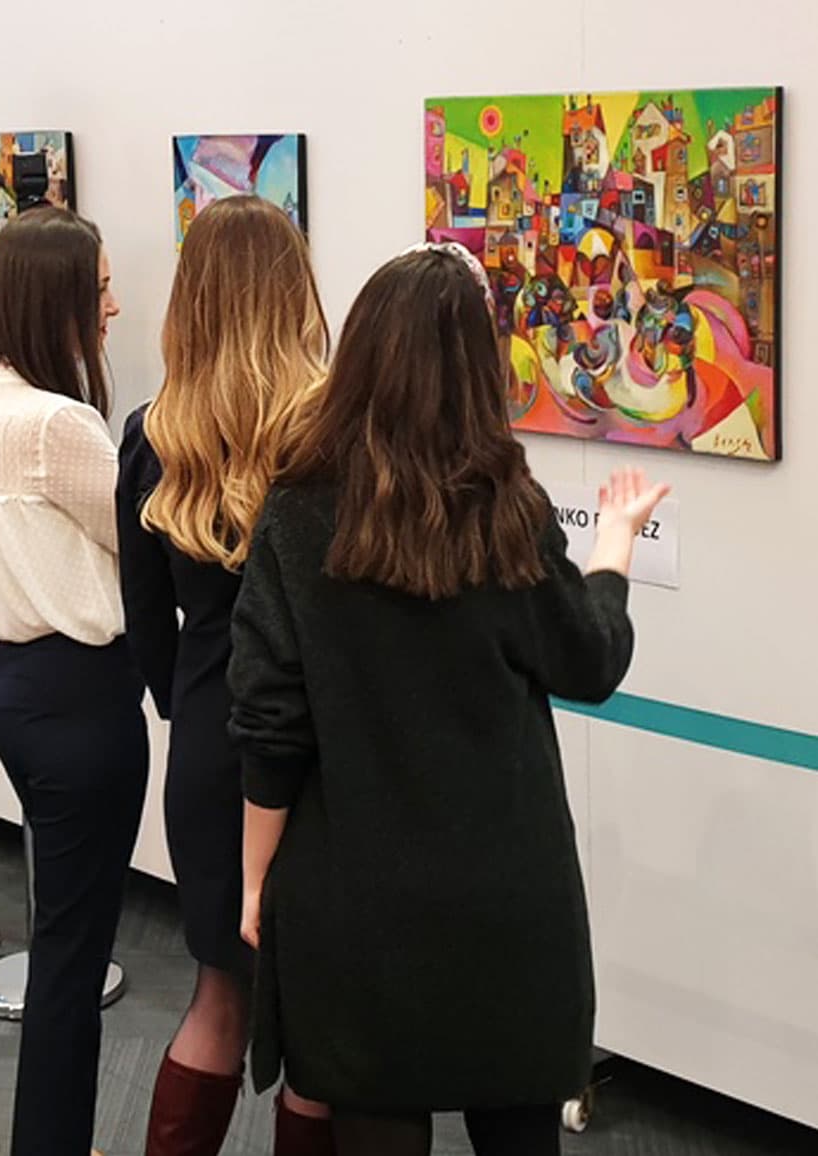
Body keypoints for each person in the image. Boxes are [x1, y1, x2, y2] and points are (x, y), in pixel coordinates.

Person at [228, 243, 670, 1156]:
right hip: (506, 901)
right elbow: (590, 658)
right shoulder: (509, 508)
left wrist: (255, 878)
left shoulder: (299, 509)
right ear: (478, 364)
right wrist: (614, 550)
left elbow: (271, 721)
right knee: (517, 1135)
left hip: (356, 898)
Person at [116, 195, 335, 1156]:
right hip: (327, 749)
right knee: (325, 1028)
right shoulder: (332, 434)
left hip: (212, 738)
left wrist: (195, 707)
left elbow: (142, 627)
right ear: (296, 291)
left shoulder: (152, 432)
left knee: (216, 994)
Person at [0, 207, 149, 1156]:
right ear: (56, 301)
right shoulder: (59, 425)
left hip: (18, 686)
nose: (114, 308)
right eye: (98, 293)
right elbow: (148, 547)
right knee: (72, 956)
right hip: (79, 697)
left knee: (62, 937)